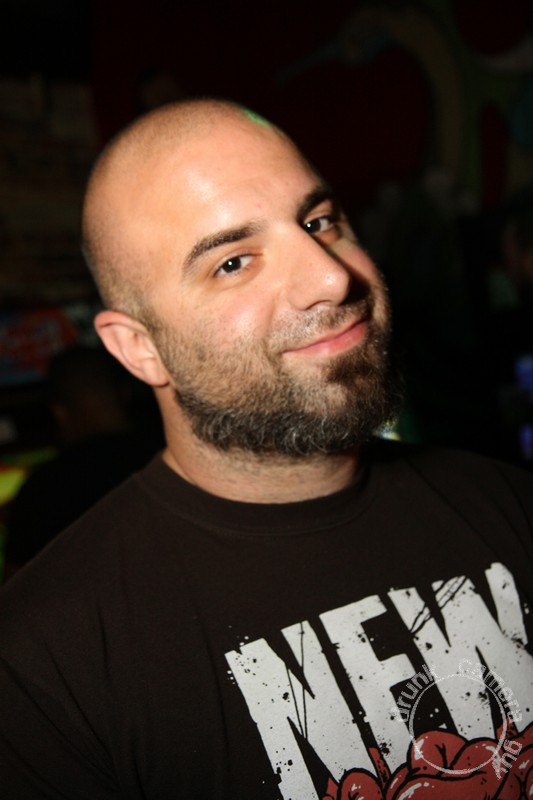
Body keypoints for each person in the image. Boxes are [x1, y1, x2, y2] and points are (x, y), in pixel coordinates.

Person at [0, 98, 532, 800]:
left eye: (319, 222)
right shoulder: (43, 667)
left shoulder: (508, 504)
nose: (331, 278)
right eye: (232, 262)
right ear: (138, 349)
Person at [2, 345, 162, 581]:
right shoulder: (168, 455)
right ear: (125, 393)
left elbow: (16, 587)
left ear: (59, 411)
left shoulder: (43, 489)